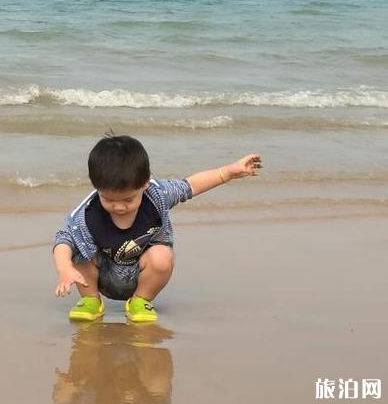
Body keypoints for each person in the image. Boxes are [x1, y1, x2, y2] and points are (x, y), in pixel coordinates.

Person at [53, 134, 262, 323]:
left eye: (128, 199)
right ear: (96, 187)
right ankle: (91, 301)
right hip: (102, 275)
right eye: (108, 199)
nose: (118, 207)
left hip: (141, 273)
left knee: (163, 255)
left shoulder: (157, 196)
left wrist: (228, 172)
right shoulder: (88, 214)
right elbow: (64, 239)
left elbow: (190, 186)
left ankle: (140, 301)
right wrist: (64, 268)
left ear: (144, 183)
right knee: (77, 254)